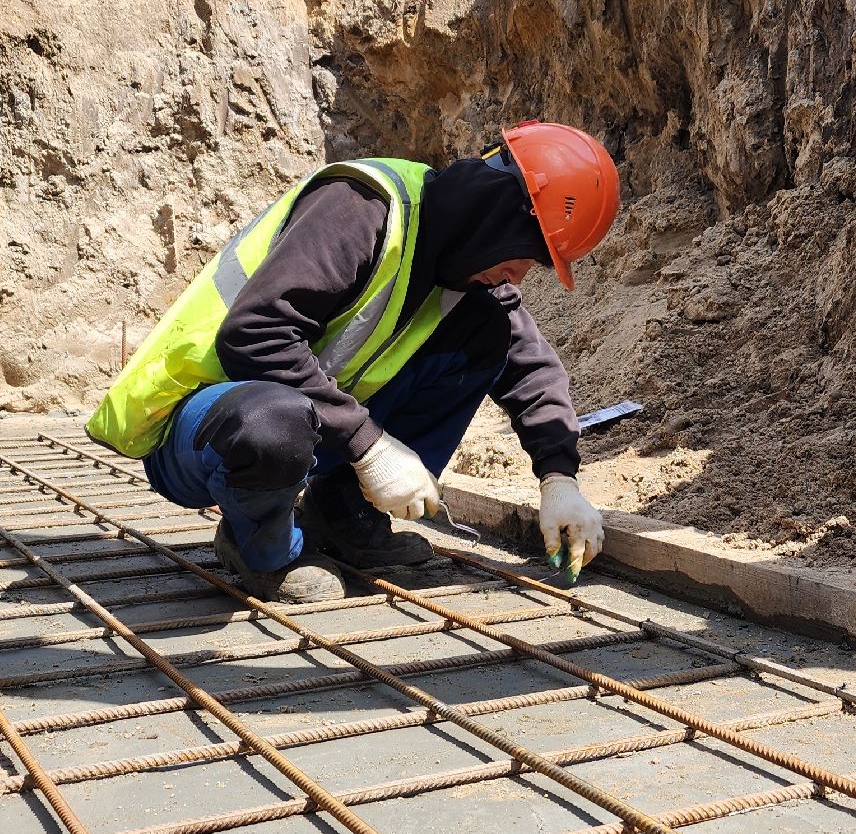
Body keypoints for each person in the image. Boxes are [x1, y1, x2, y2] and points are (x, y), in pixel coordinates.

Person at [86, 120, 619, 602]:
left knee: (486, 339)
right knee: (274, 421)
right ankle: (261, 548)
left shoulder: (468, 274)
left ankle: (345, 515)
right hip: (206, 427)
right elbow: (254, 335)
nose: (523, 274)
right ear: (497, 220)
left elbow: (530, 366)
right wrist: (370, 447)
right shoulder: (361, 209)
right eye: (528, 253)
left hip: (307, 429)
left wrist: (559, 479)